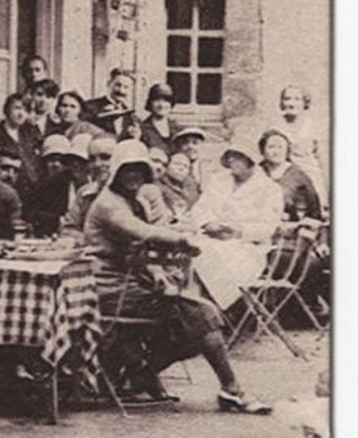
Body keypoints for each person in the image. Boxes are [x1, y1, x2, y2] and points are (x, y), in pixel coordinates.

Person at [84, 140, 271, 413]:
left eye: (139, 170)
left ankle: (142, 371)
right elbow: (142, 233)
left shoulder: (131, 200)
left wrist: (158, 271)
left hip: (129, 282)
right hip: (109, 288)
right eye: (127, 170)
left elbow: (141, 248)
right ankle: (231, 389)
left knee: (199, 319)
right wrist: (182, 239)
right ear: (116, 172)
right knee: (199, 314)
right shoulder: (110, 204)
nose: (134, 175)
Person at [184, 143, 286, 316]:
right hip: (211, 238)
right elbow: (200, 208)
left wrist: (237, 230)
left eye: (237, 156)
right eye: (230, 156)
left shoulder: (270, 189)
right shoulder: (220, 180)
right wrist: (208, 223)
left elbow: (268, 227)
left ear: (250, 161)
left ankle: (212, 312)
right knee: (189, 250)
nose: (232, 160)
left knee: (204, 255)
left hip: (248, 249)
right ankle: (197, 312)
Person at [26, 134, 88, 238]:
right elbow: (34, 214)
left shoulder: (100, 187)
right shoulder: (53, 184)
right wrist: (58, 221)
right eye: (72, 160)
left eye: (82, 161)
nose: (76, 165)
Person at [275, 85, 326, 204]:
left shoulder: (315, 127)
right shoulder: (275, 126)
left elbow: (323, 160)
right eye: (287, 99)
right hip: (284, 181)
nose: (291, 104)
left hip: (311, 178)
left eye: (297, 99)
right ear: (282, 102)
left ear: (305, 103)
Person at [258, 127, 321, 221]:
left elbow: (313, 211)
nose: (276, 152)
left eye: (280, 147)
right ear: (262, 150)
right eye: (271, 147)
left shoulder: (299, 177)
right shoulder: (254, 172)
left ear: (287, 151)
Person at [61, 135, 118, 239]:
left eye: (105, 157)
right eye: (92, 159)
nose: (97, 164)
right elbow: (68, 229)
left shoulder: (139, 193)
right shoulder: (84, 193)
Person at [0, 91, 42, 200]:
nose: (21, 114)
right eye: (17, 108)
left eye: (26, 110)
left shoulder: (31, 133)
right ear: (6, 110)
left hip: (34, 191)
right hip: (11, 191)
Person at [85, 68, 139, 138]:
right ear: (109, 84)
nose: (121, 91)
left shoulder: (130, 115)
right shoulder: (90, 106)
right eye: (118, 85)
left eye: (126, 87)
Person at [134, 82, 183, 155]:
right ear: (150, 103)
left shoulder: (177, 128)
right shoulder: (141, 129)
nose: (161, 105)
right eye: (157, 100)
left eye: (166, 101)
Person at [160, 150, 203, 216]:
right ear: (167, 166)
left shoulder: (192, 188)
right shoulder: (158, 185)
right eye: (177, 164)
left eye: (186, 166)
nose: (181, 168)